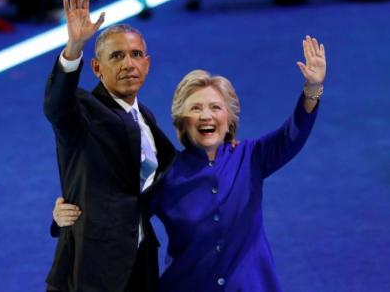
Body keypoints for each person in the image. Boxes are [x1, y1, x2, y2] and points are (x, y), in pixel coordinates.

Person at [54, 35, 326, 291]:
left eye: (215, 108)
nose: (206, 116)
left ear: (230, 119)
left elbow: (293, 134)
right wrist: (66, 214)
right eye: (195, 108)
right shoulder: (167, 175)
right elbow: (120, 210)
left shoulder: (251, 156)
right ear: (181, 121)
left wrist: (312, 88)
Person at [44, 0, 175, 292]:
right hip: (93, 268)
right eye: (117, 56)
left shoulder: (146, 118)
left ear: (147, 63)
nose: (129, 63)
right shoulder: (84, 112)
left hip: (139, 258)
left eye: (136, 54)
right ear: (97, 67)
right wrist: (74, 47)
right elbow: (56, 106)